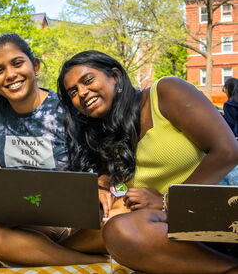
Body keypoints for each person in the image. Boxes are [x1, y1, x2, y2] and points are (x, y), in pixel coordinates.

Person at [57, 50, 238, 274]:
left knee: (120, 230)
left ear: (115, 76)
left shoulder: (166, 92)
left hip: (221, 206)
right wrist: (105, 189)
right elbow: (122, 186)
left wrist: (169, 201)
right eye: (73, 92)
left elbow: (228, 151)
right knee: (97, 234)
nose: (82, 93)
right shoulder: (105, 134)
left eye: (88, 80)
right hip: (170, 224)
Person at [0, 34, 107, 266]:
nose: (11, 75)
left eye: (17, 63)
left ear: (34, 66)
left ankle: (37, 251)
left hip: (78, 219)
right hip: (26, 219)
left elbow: (103, 157)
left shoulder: (67, 109)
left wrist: (102, 186)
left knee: (121, 224)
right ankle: (80, 260)